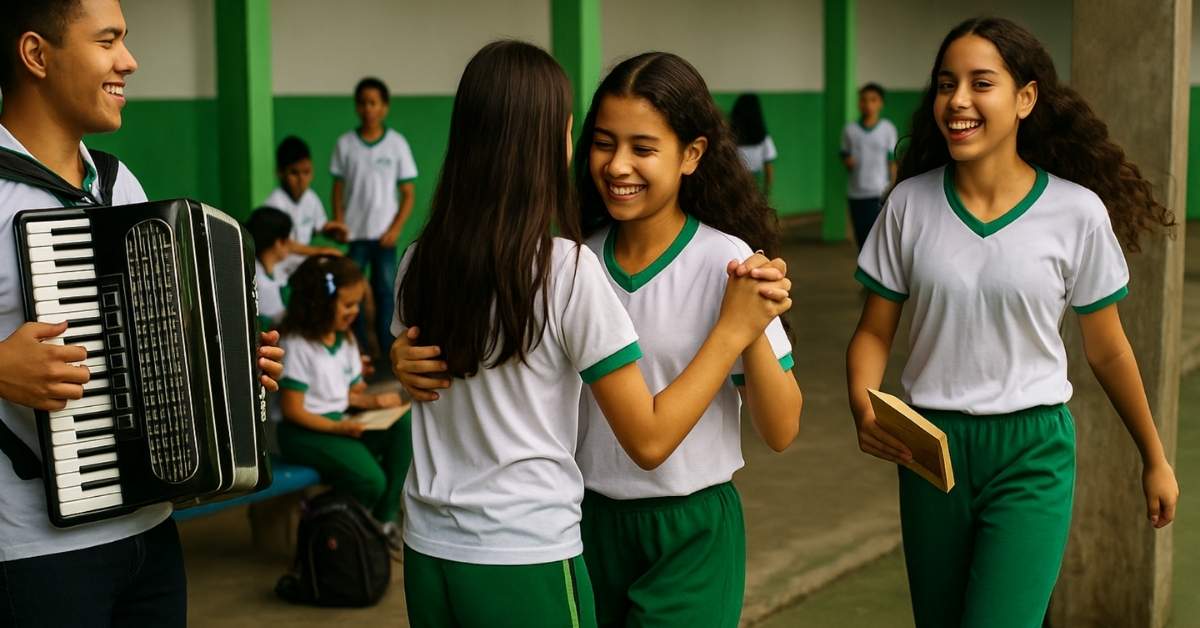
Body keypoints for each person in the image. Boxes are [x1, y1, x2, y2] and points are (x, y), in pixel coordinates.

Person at [389, 41, 792, 628]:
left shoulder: (725, 262)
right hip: (584, 520)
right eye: (602, 141)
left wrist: (746, 327)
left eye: (642, 148)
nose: (616, 165)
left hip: (689, 528)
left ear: (691, 154)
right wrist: (409, 359)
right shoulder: (572, 259)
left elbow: (780, 429)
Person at [845, 17, 1179, 628]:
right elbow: (873, 332)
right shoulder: (907, 205)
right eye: (947, 85)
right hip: (931, 451)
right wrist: (865, 407)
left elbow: (1108, 351)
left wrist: (1153, 456)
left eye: (981, 83)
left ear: (1025, 98)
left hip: (1033, 452)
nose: (959, 101)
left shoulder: (1076, 213)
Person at [0, 1, 282, 625]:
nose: (128, 61)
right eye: (108, 42)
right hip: (33, 553)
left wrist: (226, 362)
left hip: (149, 532)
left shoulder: (117, 184)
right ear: (36, 55)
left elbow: (151, 337)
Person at [276, 255, 410, 533]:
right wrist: (339, 427)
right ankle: (339, 525)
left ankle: (382, 521)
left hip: (340, 423)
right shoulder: (297, 344)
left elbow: (346, 395)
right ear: (319, 305)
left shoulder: (345, 338)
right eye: (347, 305)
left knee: (405, 427)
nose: (355, 312)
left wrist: (373, 402)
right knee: (372, 480)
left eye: (358, 303)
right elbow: (294, 410)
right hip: (304, 433)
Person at [330, 77, 417, 365]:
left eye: (373, 103)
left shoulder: (396, 144)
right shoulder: (345, 144)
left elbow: (408, 194)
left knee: (385, 295)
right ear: (357, 107)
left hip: (383, 237)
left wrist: (395, 230)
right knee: (350, 295)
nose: (368, 108)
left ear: (384, 108)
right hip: (354, 236)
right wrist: (340, 222)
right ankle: (360, 354)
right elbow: (338, 188)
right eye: (363, 103)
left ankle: (386, 357)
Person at [262, 135, 347, 276]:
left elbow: (319, 227)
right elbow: (287, 244)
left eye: (306, 172)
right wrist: (321, 251)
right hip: (281, 270)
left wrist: (334, 232)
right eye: (294, 173)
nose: (301, 179)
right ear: (280, 173)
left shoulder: (311, 198)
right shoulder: (274, 203)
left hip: (302, 264)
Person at [841, 83, 898, 250]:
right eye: (864, 100)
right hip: (856, 193)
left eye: (873, 100)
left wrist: (894, 187)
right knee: (862, 240)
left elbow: (892, 160)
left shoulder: (887, 129)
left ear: (881, 103)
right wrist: (847, 160)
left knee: (879, 241)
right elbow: (844, 153)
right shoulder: (850, 130)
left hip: (880, 192)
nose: (868, 105)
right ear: (859, 103)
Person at [246, 206, 294, 329]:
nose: (291, 244)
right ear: (279, 242)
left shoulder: (278, 268)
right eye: (287, 239)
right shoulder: (260, 283)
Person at [731, 93, 777, 195]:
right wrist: (766, 192)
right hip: (754, 190)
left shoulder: (729, 137)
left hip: (732, 187)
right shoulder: (763, 138)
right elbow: (769, 170)